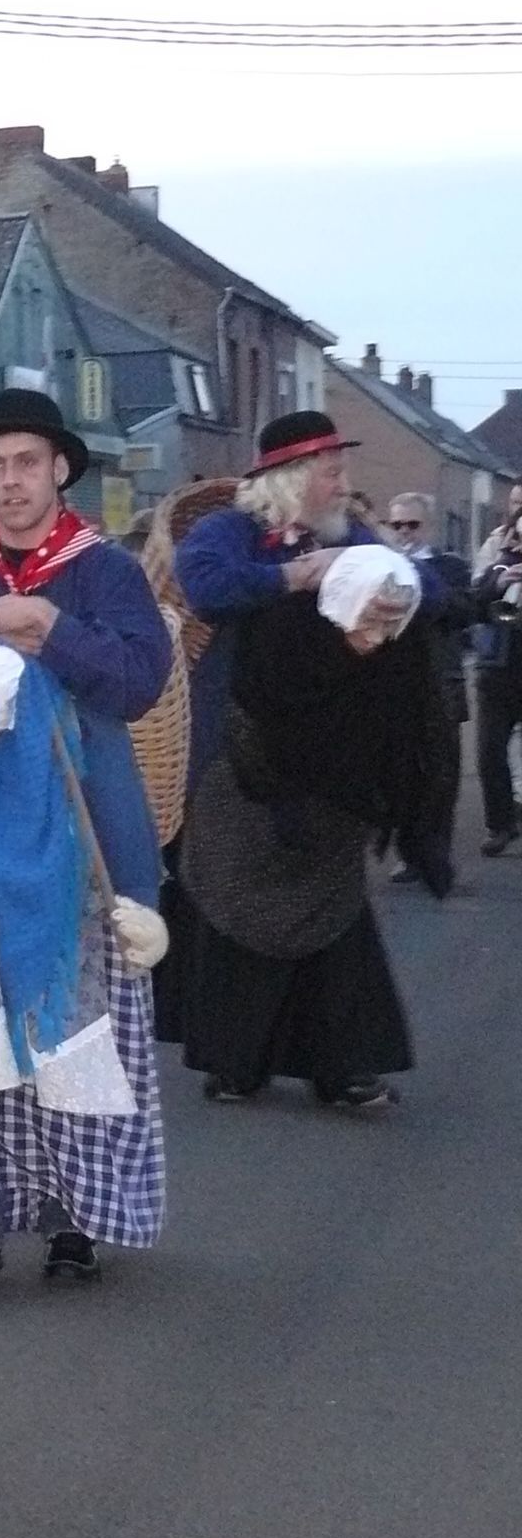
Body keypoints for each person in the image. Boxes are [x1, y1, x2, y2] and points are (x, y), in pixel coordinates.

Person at [0, 389, 172, 1286]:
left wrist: (46, 626)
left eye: (26, 463)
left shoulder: (105, 574)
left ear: (61, 469)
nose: (9, 483)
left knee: (74, 1026)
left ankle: (73, 1215)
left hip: (86, 832)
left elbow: (137, 683)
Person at [168, 422, 443, 1111]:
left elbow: (426, 587)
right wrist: (296, 575)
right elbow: (205, 584)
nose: (344, 486)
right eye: (329, 472)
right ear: (291, 478)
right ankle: (237, 1061)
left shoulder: (351, 536)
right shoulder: (232, 533)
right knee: (236, 903)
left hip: (329, 758)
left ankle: (343, 1064)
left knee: (332, 909)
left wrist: (399, 595)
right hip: (242, 752)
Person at [377, 493, 470, 883]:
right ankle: (407, 852)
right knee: (398, 770)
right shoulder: (380, 565)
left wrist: (414, 572)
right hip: (394, 683)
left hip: (440, 680)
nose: (403, 532)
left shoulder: (449, 567)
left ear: (427, 527)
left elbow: (459, 611)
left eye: (411, 525)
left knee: (441, 774)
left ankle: (435, 854)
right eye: (396, 525)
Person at [470, 481, 522, 855]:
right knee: (490, 750)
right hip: (498, 663)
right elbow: (476, 595)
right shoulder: (499, 554)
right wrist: (502, 576)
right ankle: (499, 824)